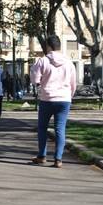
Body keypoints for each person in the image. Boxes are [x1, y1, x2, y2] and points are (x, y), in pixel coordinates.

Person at [30, 35, 77, 168]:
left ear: (48, 46)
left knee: (42, 128)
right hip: (64, 99)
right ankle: (58, 159)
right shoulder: (69, 63)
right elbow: (73, 83)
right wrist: (69, 96)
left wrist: (39, 84)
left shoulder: (43, 61)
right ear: (59, 46)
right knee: (60, 128)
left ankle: (42, 156)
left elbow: (34, 79)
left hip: (47, 98)